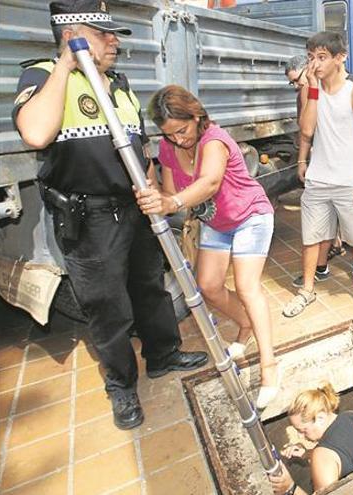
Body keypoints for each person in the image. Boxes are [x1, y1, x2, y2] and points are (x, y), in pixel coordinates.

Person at [12, 0, 208, 430]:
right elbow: (36, 132)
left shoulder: (117, 82)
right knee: (108, 306)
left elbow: (138, 148)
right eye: (103, 33)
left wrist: (155, 190)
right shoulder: (44, 77)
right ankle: (121, 384)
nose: (114, 40)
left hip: (133, 209)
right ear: (71, 35)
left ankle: (163, 354)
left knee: (149, 288)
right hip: (90, 219)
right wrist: (66, 65)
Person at [137, 85, 278, 408]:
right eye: (169, 134)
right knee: (208, 287)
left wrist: (170, 200)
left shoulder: (214, 139)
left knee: (246, 286)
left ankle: (269, 368)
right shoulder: (169, 147)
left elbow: (210, 182)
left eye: (182, 130)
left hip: (250, 216)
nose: (178, 139)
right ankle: (246, 326)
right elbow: (171, 194)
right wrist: (152, 190)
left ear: (196, 115)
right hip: (216, 221)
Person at [282, 31, 353, 318]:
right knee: (311, 238)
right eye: (312, 58)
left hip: (349, 180)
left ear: (340, 58)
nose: (316, 64)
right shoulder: (310, 91)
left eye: (322, 57)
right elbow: (307, 130)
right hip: (318, 179)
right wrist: (311, 89)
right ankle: (307, 290)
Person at [269, 384, 353, 494]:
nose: (300, 437)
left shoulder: (322, 456)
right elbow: (346, 453)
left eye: (303, 430)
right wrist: (306, 454)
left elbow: (328, 456)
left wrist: (290, 487)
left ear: (320, 418)